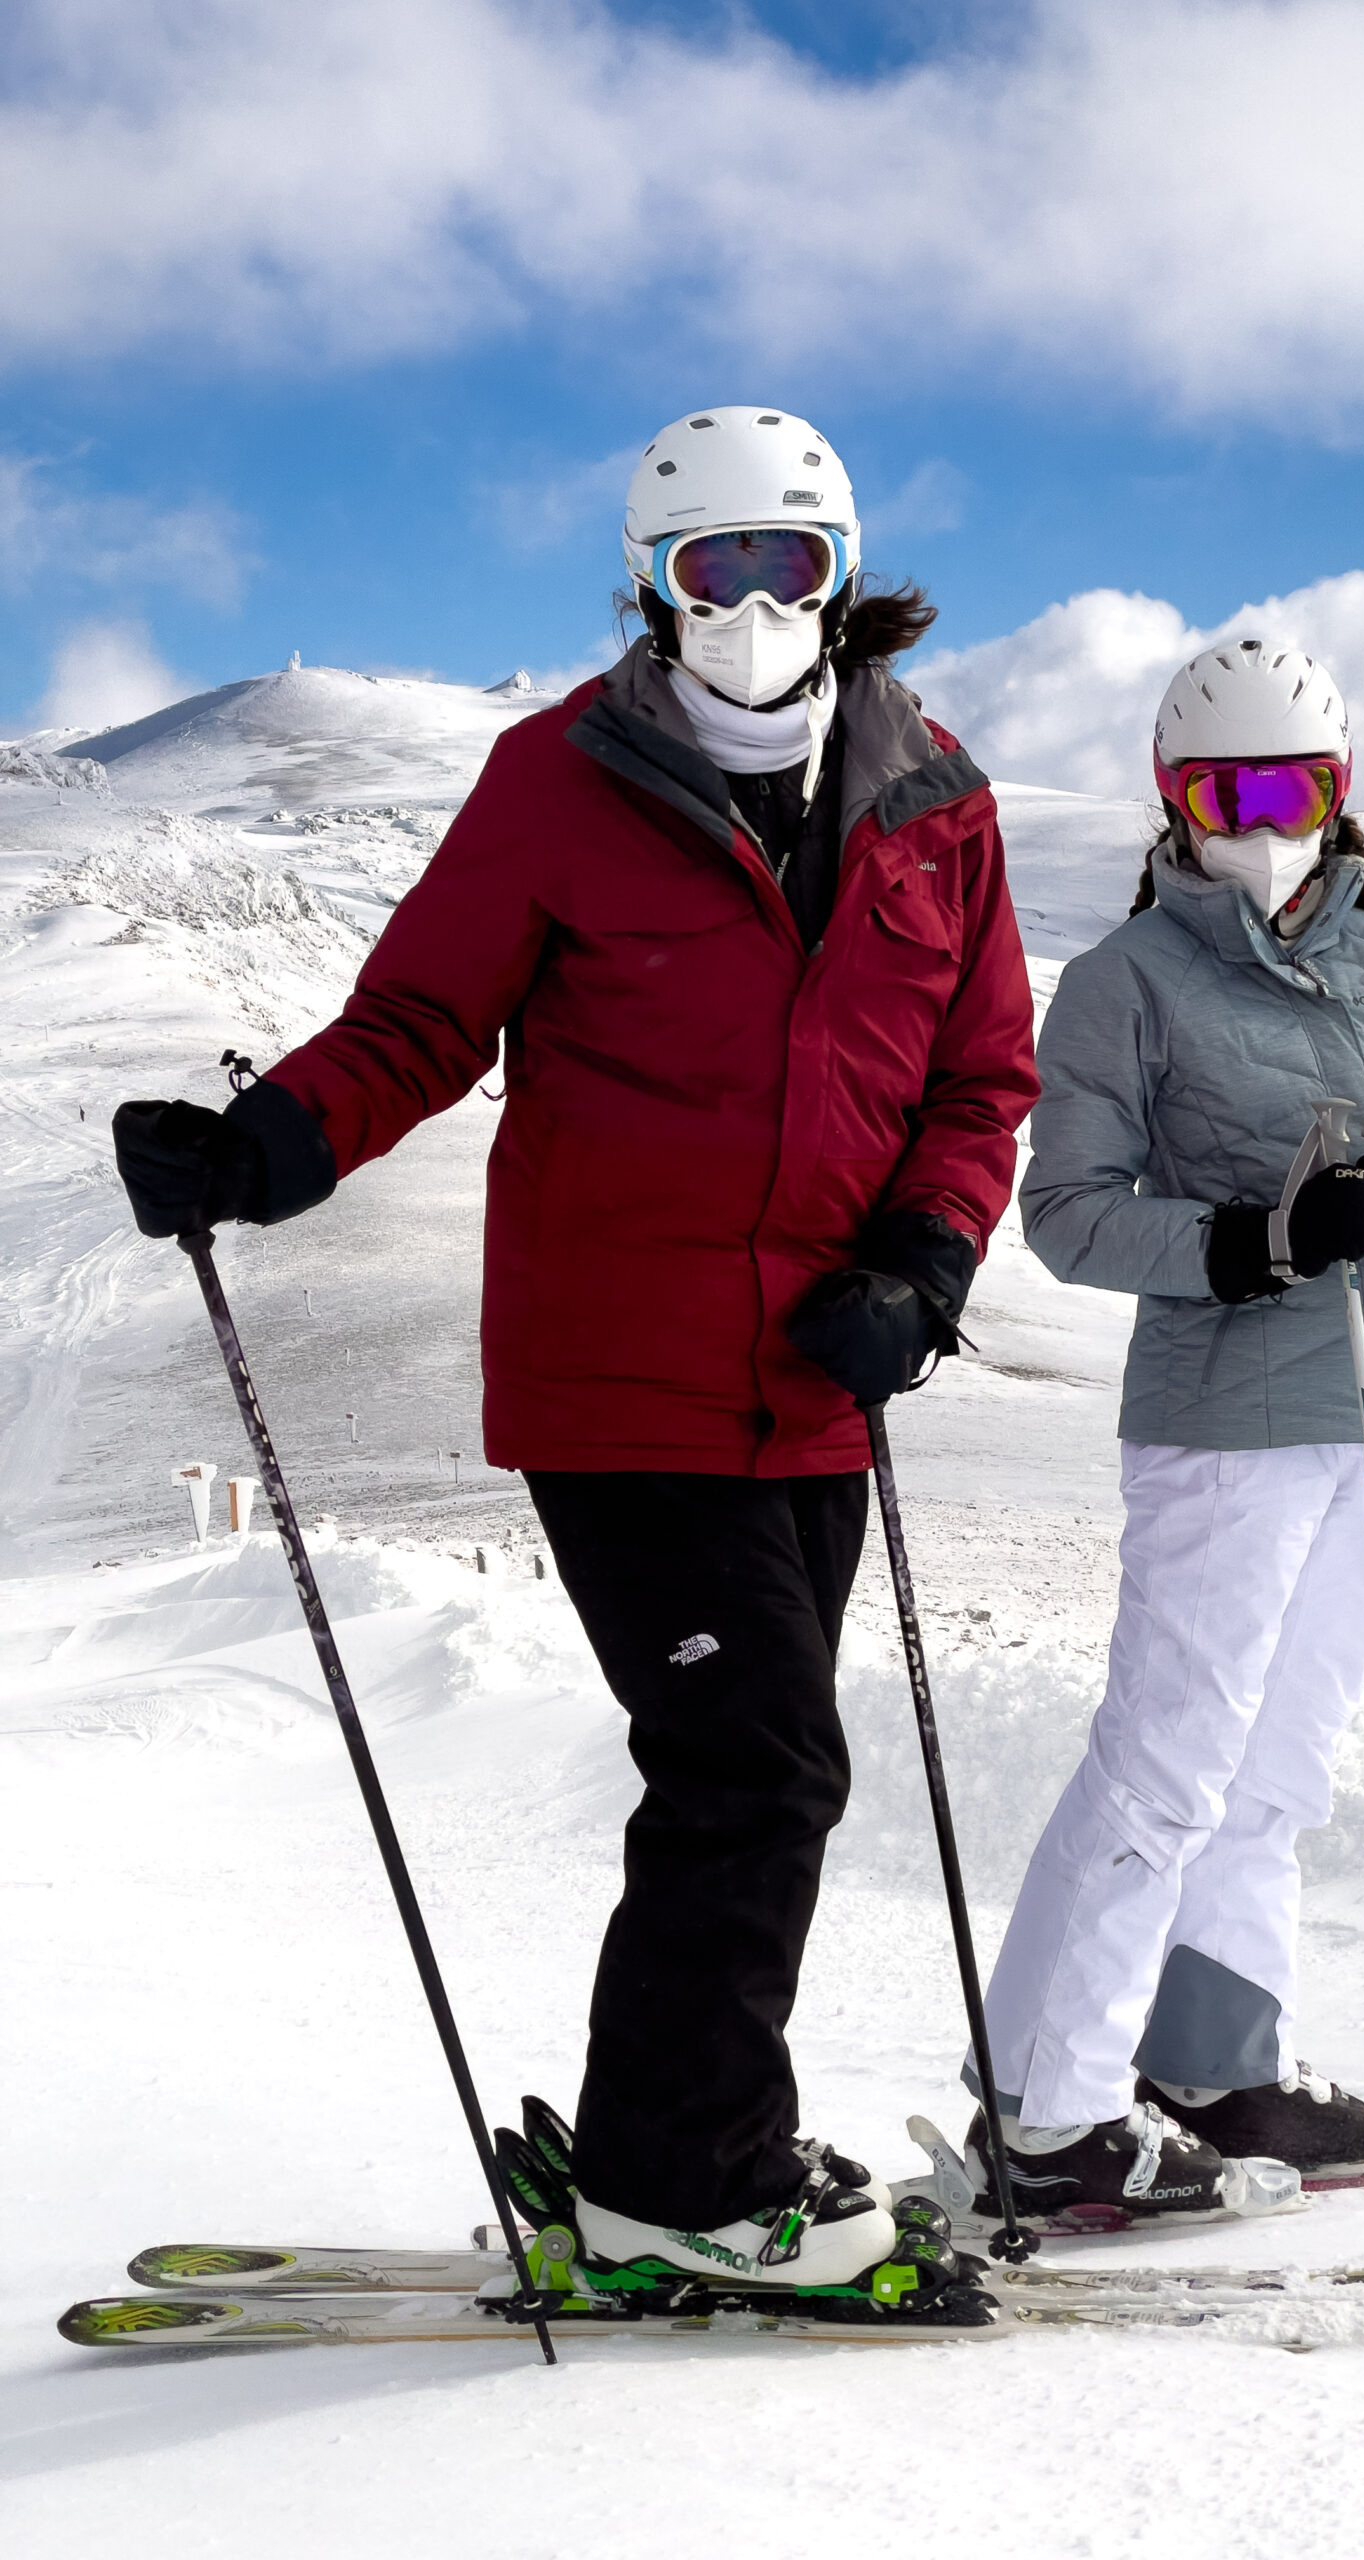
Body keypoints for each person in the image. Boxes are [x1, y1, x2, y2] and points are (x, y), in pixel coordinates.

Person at [112, 406, 1039, 2294]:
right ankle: (683, 2182)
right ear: (651, 584)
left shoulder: (938, 800)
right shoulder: (557, 779)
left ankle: (685, 2137)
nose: (755, 606)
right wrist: (265, 1148)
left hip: (821, 1379)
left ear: (844, 574)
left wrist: (927, 1268)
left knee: (750, 1771)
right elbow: (417, 1020)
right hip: (620, 1373)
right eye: (717, 570)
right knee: (758, 1767)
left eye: (788, 565)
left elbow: (977, 1075)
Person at [969, 640, 1364, 2218]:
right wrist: (1258, 1240)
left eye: (1294, 791)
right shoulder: (1126, 982)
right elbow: (1063, 1215)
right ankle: (1046, 2111)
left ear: (1339, 797)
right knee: (1167, 1769)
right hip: (1221, 1426)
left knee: (1282, 1770)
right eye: (1223, 794)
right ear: (1172, 802)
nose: (1258, 826)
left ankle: (1218, 2060)